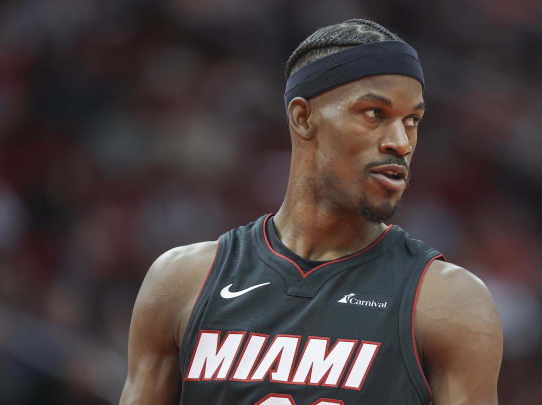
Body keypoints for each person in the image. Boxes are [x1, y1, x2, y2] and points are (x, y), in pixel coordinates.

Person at [120, 19, 502, 405]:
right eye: (375, 114)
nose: (401, 142)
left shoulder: (447, 302)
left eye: (412, 120)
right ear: (303, 117)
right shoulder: (181, 281)